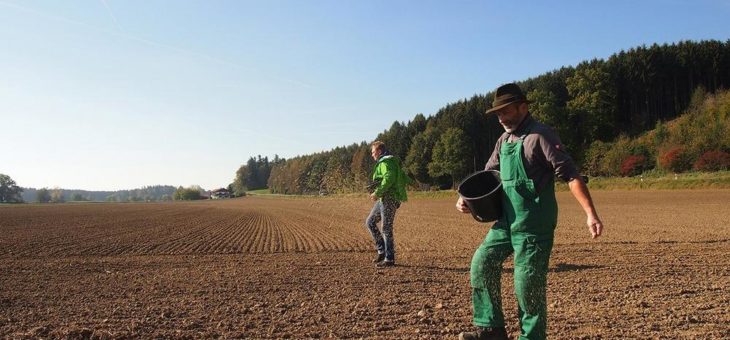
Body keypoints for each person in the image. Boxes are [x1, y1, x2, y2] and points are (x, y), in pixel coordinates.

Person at [456, 83, 604, 340]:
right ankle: (491, 330)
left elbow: (570, 175)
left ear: (523, 107)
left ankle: (532, 337)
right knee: (482, 263)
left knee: (527, 285)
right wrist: (465, 199)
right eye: (498, 114)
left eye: (507, 112)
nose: (502, 118)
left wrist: (590, 213)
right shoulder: (503, 141)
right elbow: (488, 175)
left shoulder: (541, 136)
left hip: (534, 224)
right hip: (506, 221)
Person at [365, 141, 410, 268]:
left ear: (379, 152)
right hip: (384, 198)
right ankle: (382, 250)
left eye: (373, 152)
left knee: (386, 228)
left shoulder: (386, 162)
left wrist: (377, 192)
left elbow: (389, 177)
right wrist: (412, 182)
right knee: (370, 222)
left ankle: (389, 258)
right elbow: (401, 175)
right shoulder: (390, 162)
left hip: (389, 198)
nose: (372, 155)